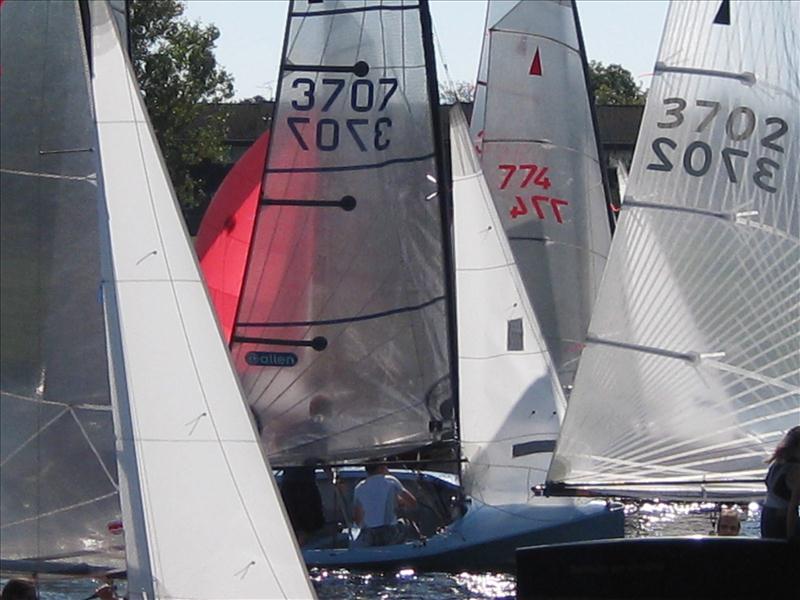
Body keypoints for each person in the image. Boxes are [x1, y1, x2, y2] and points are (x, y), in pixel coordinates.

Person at [352, 461, 418, 547]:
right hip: (390, 531)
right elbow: (412, 502)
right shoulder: (391, 481)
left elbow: (358, 519)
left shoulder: (359, 487)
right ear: (381, 467)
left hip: (370, 534)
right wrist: (400, 503)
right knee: (406, 522)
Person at [761, 425, 800, 540]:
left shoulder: (776, 463)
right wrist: (791, 539)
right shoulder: (796, 470)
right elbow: (792, 508)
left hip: (767, 517)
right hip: (782, 521)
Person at [279, 460, 326, 546]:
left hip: (306, 484)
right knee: (292, 519)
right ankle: (296, 544)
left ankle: (300, 543)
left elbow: (323, 459)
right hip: (292, 484)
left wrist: (333, 476)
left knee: (308, 521)